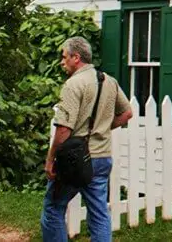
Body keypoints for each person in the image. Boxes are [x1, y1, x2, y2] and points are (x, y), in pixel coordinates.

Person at [40, 36, 132, 242]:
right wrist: (102, 128)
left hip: (75, 160)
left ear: (76, 57)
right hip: (102, 158)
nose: (62, 62)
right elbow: (127, 113)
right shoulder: (109, 80)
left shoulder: (73, 85)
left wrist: (50, 160)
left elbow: (63, 129)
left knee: (53, 208)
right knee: (99, 213)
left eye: (64, 57)